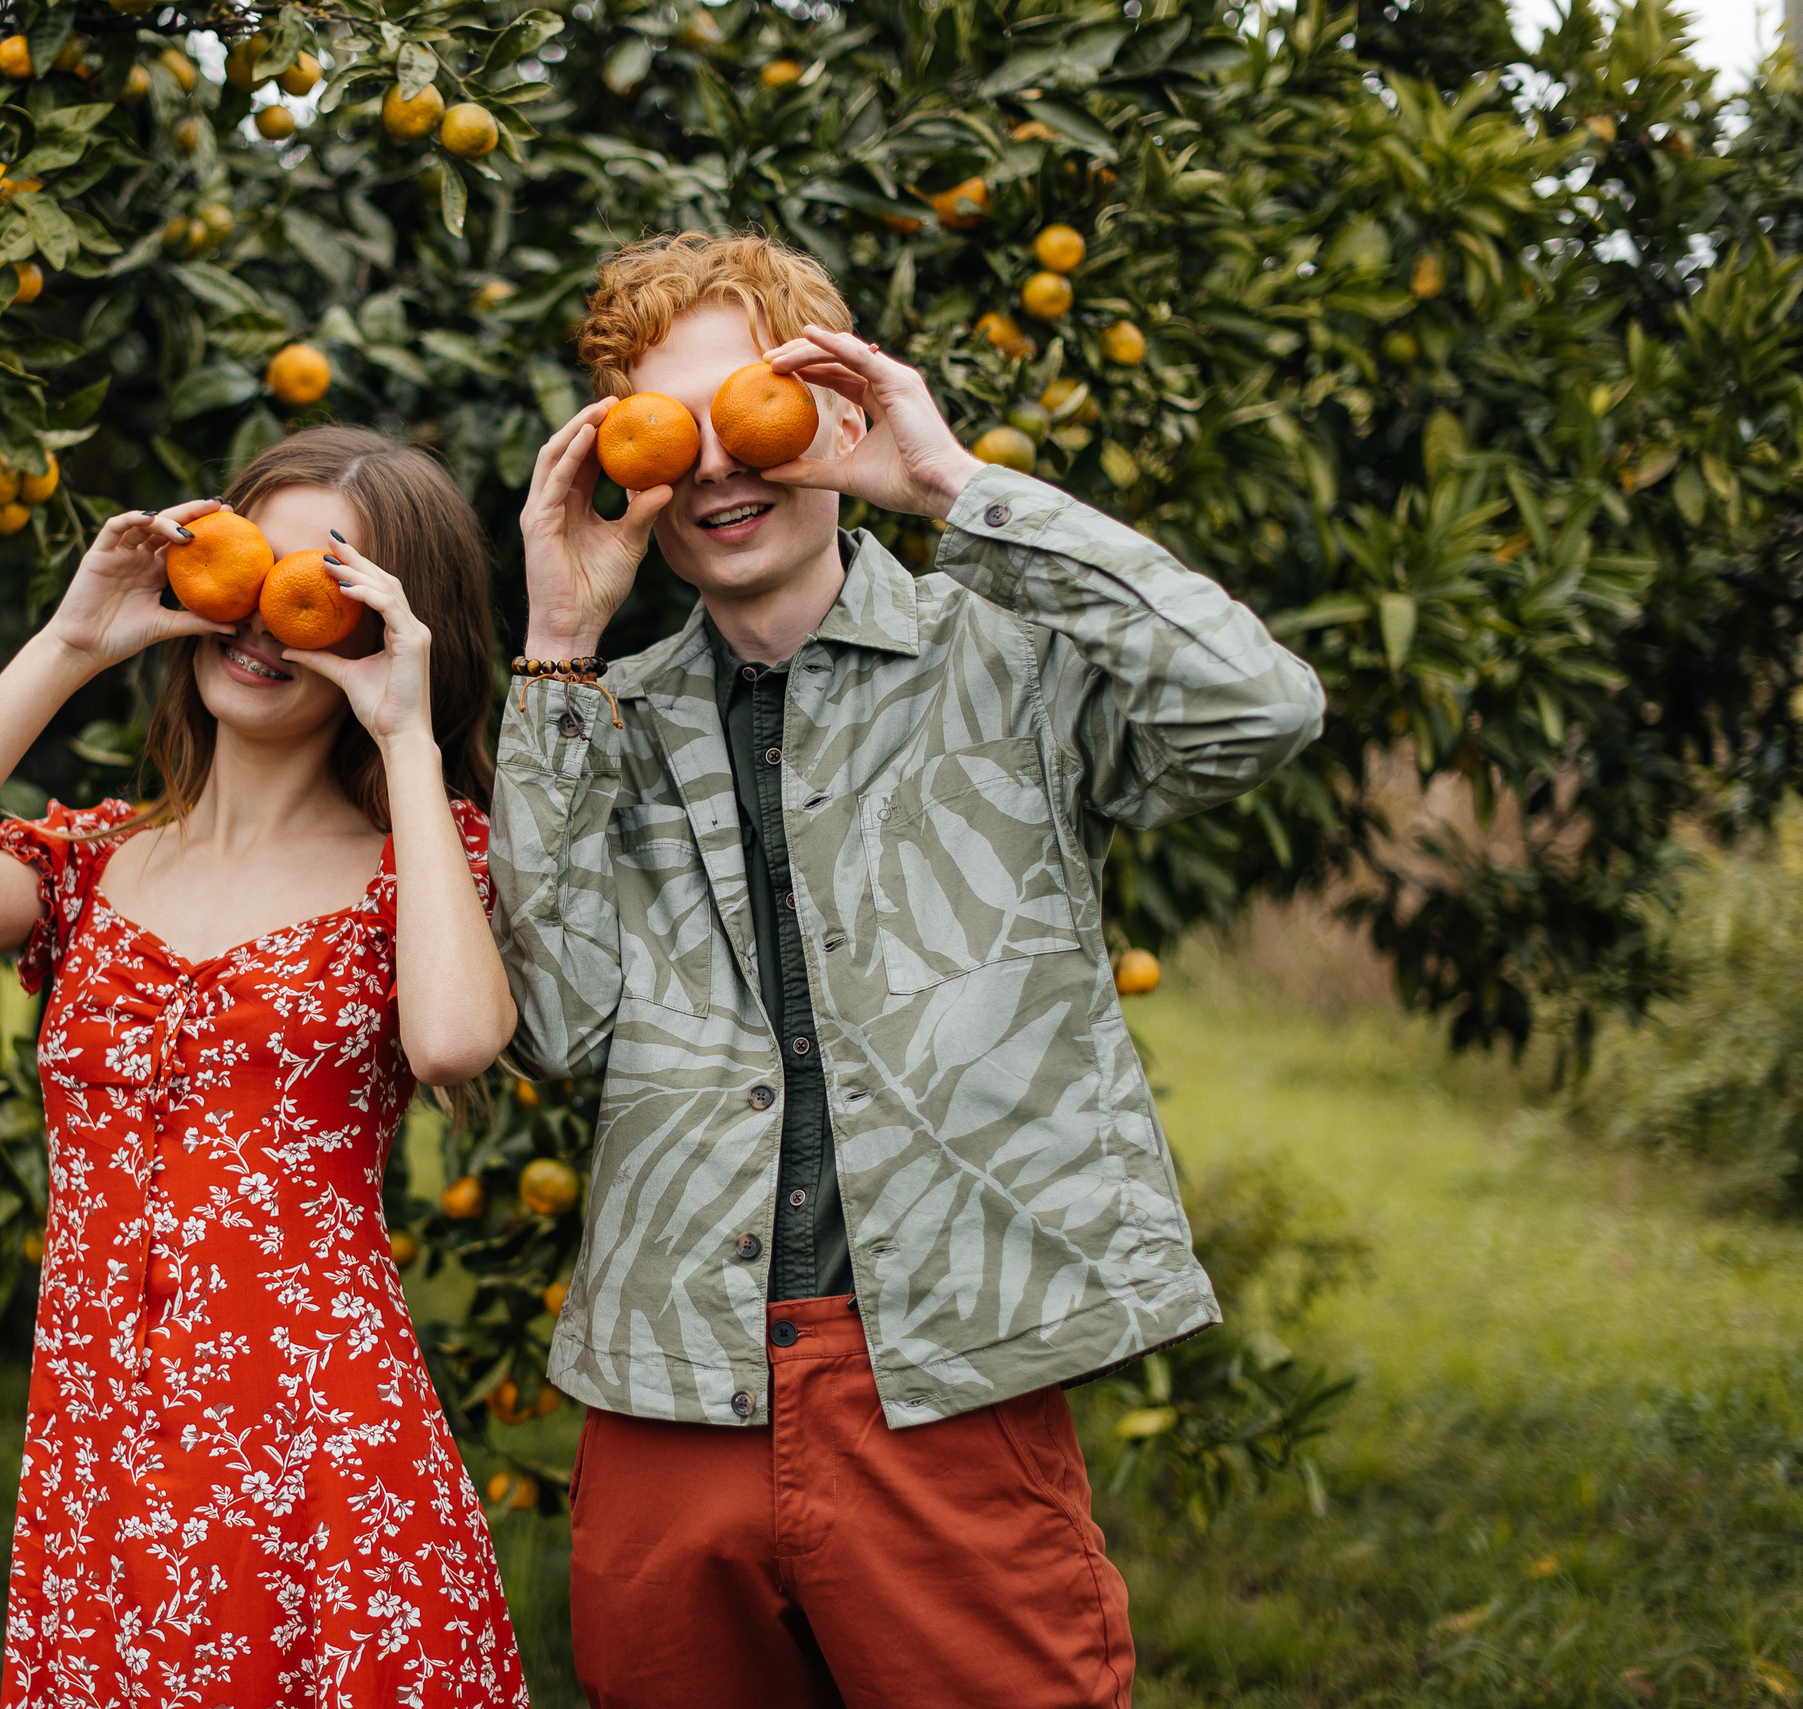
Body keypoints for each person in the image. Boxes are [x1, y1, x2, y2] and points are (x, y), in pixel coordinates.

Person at [493, 232, 1326, 1707]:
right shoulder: (593, 716)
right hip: (670, 1378)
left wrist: (952, 486)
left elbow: (1257, 707)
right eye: (667, 433)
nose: (714, 472)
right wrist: (558, 637)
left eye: (752, 411)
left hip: (950, 1368)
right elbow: (556, 1026)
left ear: (835, 412)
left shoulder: (1006, 653)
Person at [0, 426, 530, 1708]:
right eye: (255, 566)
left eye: (324, 589)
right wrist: (72, 642)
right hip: (100, 1450)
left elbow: (450, 1041)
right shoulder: (91, 865)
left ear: (388, 626)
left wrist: (411, 738)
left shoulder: (423, 863)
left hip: (318, 1453)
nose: (267, 617)